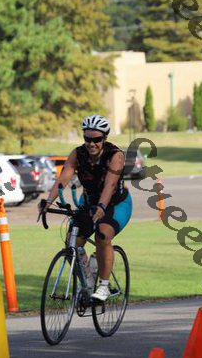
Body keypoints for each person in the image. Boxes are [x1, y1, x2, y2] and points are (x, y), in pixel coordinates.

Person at [38, 114, 132, 301]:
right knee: (71, 243)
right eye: (87, 139)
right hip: (88, 202)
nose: (91, 144)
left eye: (96, 139)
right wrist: (48, 202)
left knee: (102, 235)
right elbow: (63, 178)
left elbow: (110, 185)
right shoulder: (78, 154)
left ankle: (104, 286)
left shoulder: (115, 155)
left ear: (104, 138)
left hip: (116, 204)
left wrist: (102, 207)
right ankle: (87, 280)